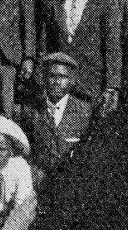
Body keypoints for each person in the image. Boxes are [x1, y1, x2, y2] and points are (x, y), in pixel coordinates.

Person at [43, 0, 122, 118]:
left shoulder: (104, 5)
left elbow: (112, 47)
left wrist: (112, 86)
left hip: (91, 81)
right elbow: (46, 44)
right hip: (59, 82)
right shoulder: (53, 4)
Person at [19, 54, 91, 182]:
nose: (57, 82)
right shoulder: (30, 111)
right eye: (52, 76)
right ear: (44, 79)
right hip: (41, 184)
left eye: (63, 77)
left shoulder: (84, 112)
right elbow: (24, 150)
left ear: (72, 81)